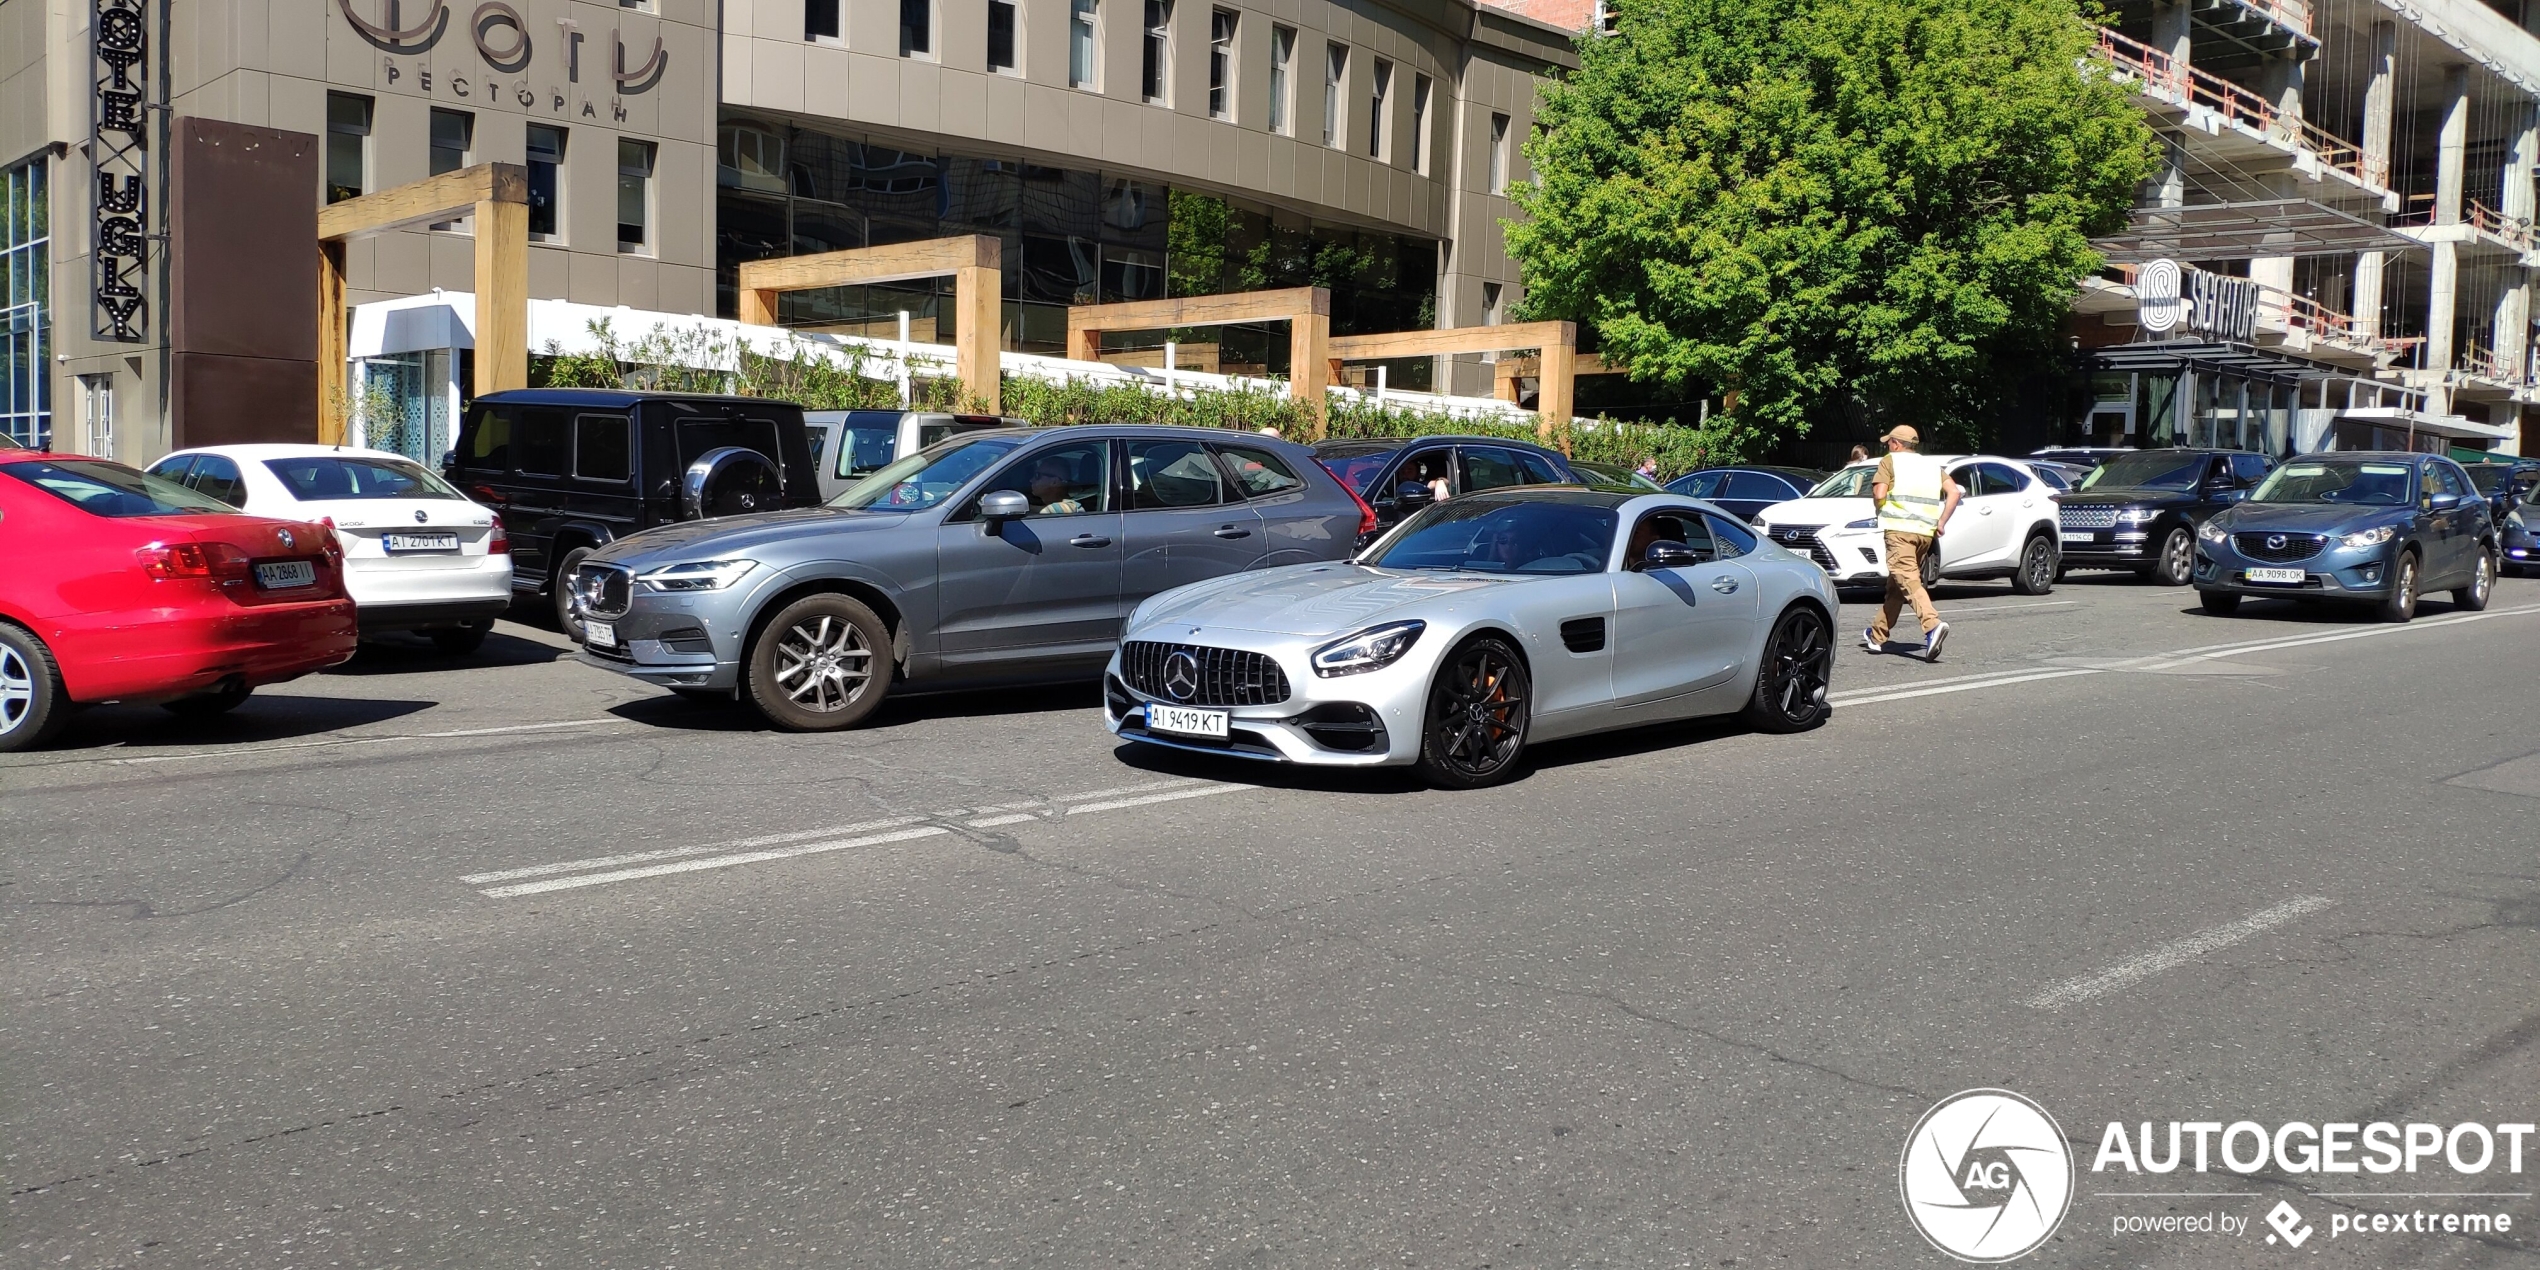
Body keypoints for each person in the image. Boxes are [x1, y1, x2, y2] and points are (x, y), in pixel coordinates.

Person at [1863, 425, 1960, 660]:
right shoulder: (1930, 466)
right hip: (1924, 535)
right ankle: (1877, 635)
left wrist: (1880, 508)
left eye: (1889, 442)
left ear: (1896, 444)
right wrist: (1941, 522)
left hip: (1899, 532)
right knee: (1898, 585)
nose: (1888, 446)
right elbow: (1954, 493)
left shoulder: (1890, 461)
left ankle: (1932, 625)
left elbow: (1879, 493)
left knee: (1908, 580)